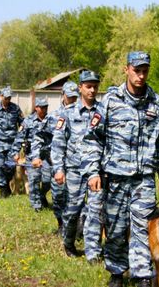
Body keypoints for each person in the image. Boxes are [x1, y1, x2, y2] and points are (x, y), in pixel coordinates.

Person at [83, 51, 159, 287]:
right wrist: (93, 172)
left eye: (145, 71)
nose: (141, 76)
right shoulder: (111, 101)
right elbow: (93, 139)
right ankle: (116, 272)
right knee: (115, 228)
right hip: (115, 178)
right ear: (127, 69)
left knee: (142, 227)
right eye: (137, 70)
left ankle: (142, 275)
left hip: (144, 179)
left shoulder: (156, 102)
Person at [51, 71, 103, 259]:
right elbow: (58, 143)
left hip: (96, 172)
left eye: (95, 86)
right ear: (80, 87)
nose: (92, 90)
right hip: (74, 171)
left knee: (96, 211)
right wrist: (58, 168)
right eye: (88, 86)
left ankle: (93, 252)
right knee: (72, 212)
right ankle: (69, 243)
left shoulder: (103, 111)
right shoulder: (67, 112)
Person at [31, 81, 79, 235]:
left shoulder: (82, 114)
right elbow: (38, 137)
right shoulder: (53, 117)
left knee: (75, 198)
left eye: (75, 97)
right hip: (57, 165)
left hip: (76, 165)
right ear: (63, 95)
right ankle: (61, 225)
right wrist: (36, 156)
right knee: (58, 197)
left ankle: (77, 229)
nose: (72, 100)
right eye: (69, 97)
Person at [10, 97, 51, 212]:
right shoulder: (28, 121)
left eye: (46, 107)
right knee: (33, 180)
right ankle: (36, 206)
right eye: (42, 107)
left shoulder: (51, 119)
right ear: (36, 108)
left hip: (46, 156)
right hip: (31, 155)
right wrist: (15, 152)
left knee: (48, 181)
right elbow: (19, 137)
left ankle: (42, 195)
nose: (44, 109)